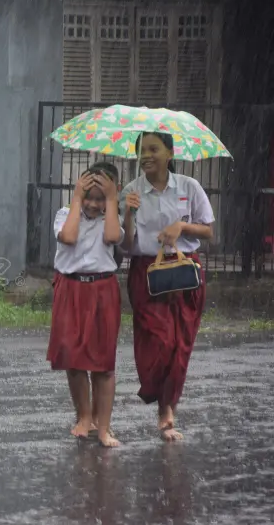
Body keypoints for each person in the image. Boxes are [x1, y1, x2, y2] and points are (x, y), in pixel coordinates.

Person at [120, 132, 214, 442]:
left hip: (186, 271)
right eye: (141, 150)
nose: (146, 155)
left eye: (153, 149)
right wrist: (129, 214)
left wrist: (181, 226)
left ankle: (167, 408)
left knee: (181, 343)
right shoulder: (131, 191)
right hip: (147, 273)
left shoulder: (189, 187)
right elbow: (125, 245)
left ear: (170, 153)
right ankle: (156, 391)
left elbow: (208, 230)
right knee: (158, 341)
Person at [47, 163, 123, 448]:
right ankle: (84, 417)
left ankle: (104, 427)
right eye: (88, 195)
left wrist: (113, 201)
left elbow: (114, 238)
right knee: (73, 357)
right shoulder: (66, 214)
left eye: (100, 197)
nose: (94, 203)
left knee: (103, 363)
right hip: (70, 287)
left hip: (103, 290)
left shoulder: (111, 219)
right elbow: (68, 237)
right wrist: (77, 200)